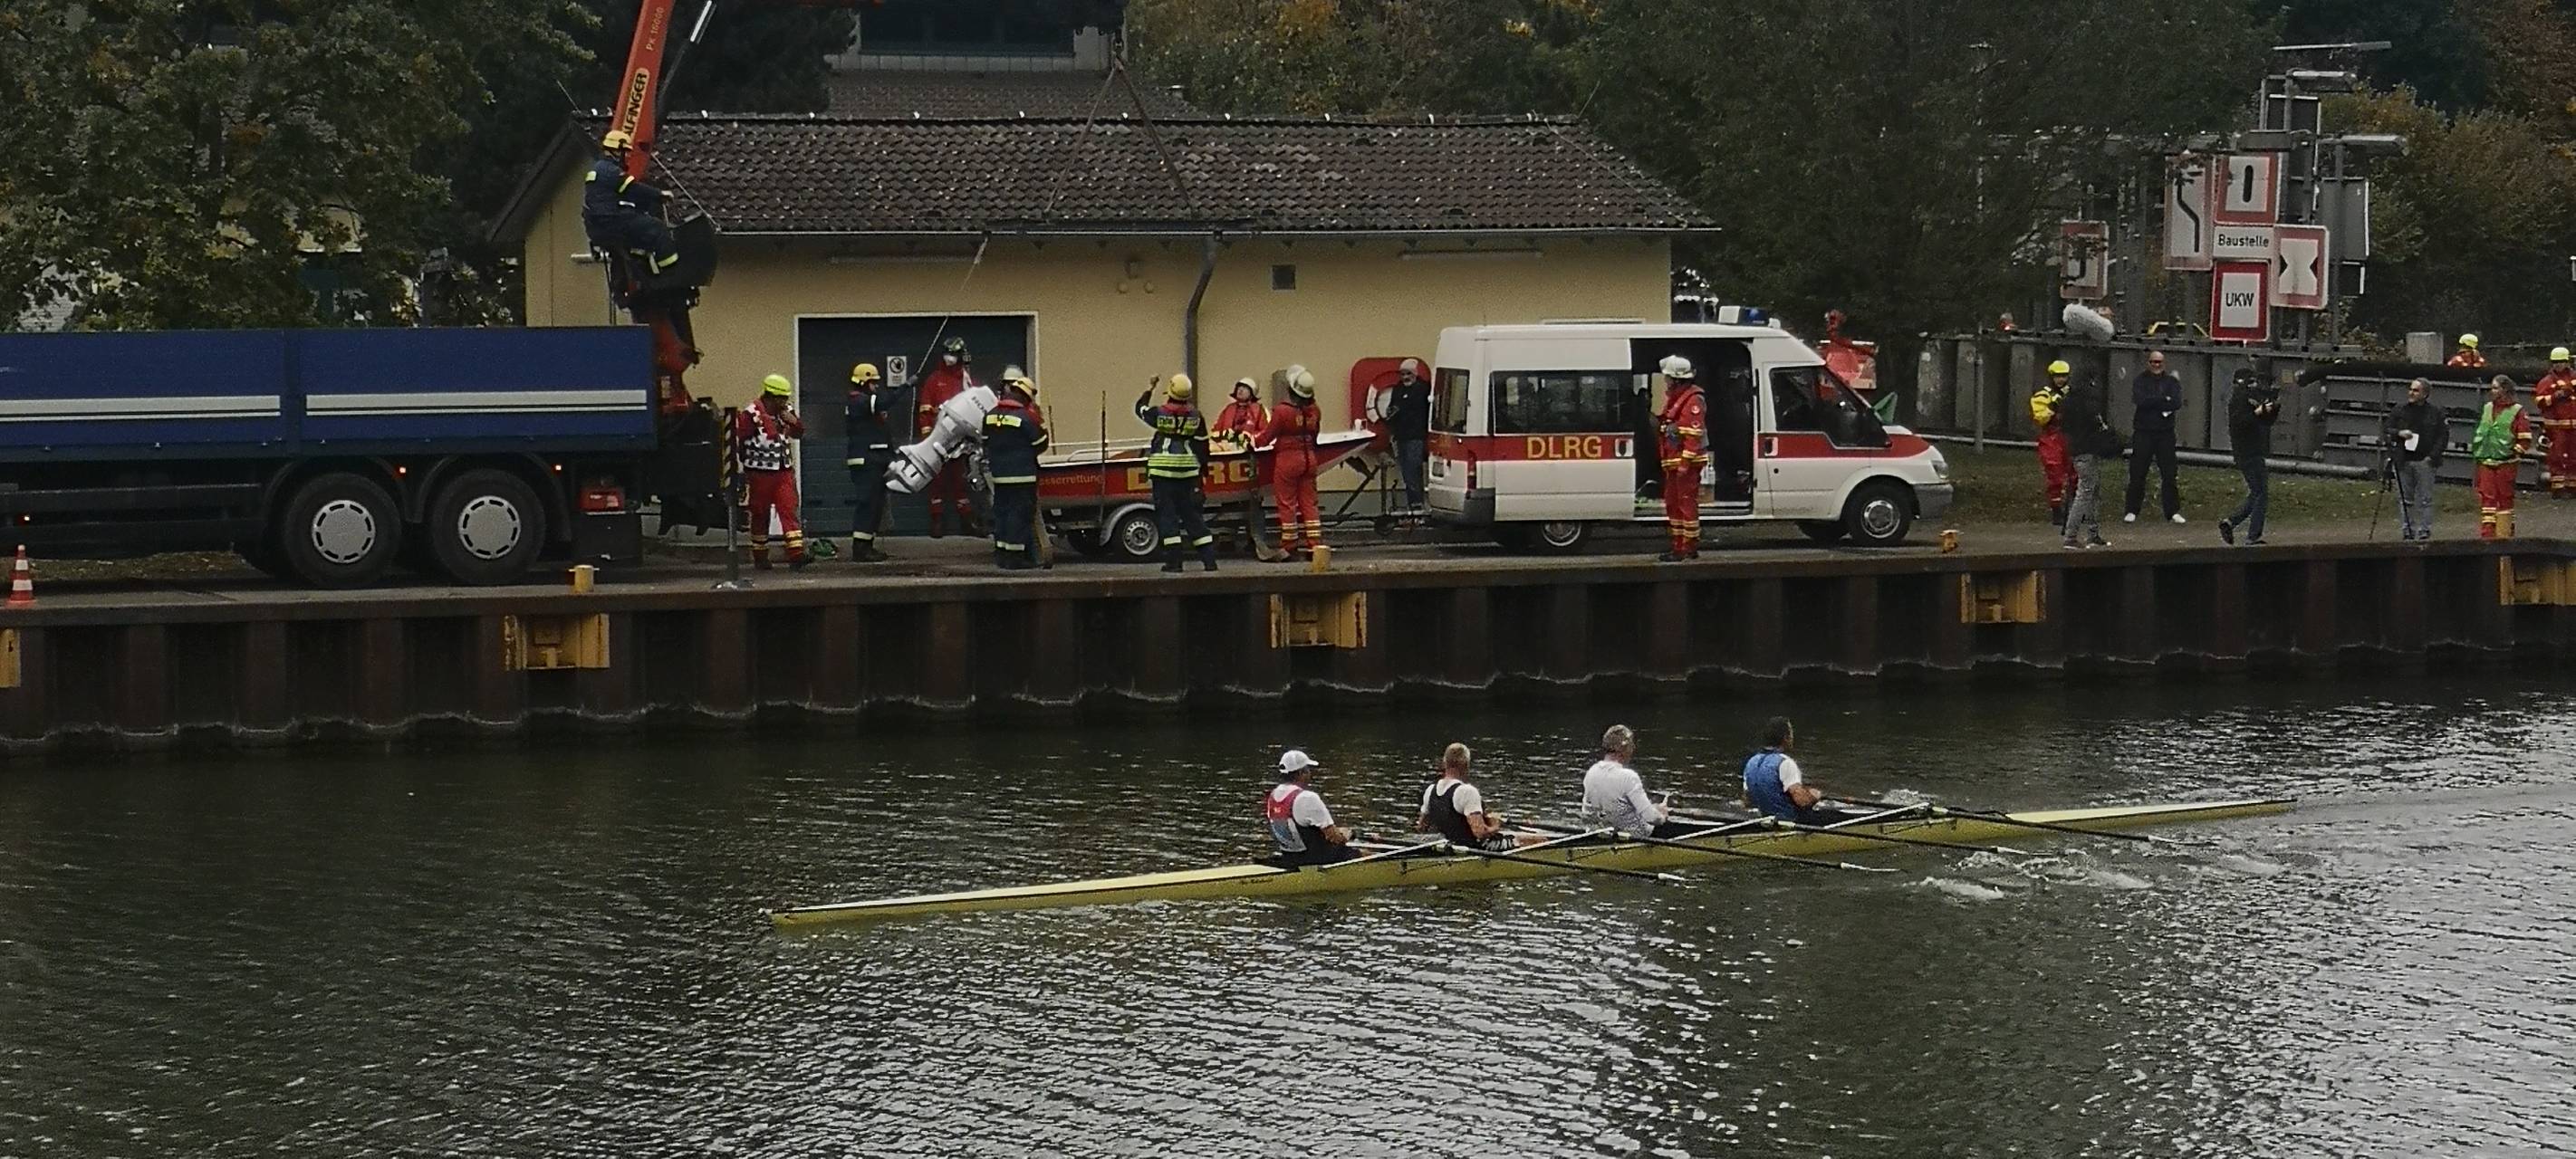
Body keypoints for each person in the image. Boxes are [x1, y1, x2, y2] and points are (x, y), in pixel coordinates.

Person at [1135, 373, 1217, 573]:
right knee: (1192, 515)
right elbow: (1202, 445)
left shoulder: (1159, 413)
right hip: (1187, 473)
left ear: (1170, 392)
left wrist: (1150, 388)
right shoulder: (1196, 416)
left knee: (1167, 516)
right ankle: (1209, 560)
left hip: (1163, 473)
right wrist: (1202, 471)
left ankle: (1174, 562)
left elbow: (1140, 409)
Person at [580, 130, 679, 280]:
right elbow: (633, 189)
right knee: (658, 229)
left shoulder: (598, 170)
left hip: (600, 226)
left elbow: (623, 195)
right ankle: (671, 274)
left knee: (640, 239)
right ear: (616, 150)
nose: (627, 156)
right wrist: (659, 194)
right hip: (614, 221)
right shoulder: (610, 170)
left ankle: (642, 273)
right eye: (625, 152)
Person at [735, 373, 810, 570]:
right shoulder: (751, 414)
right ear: (771, 397)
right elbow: (741, 441)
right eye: (782, 398)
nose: (785, 402)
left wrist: (794, 422)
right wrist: (746, 467)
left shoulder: (786, 412)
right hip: (759, 472)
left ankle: (796, 554)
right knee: (760, 513)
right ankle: (760, 556)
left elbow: (799, 433)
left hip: (783, 470)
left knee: (789, 508)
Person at [982, 368, 1049, 570]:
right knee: (1018, 517)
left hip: (999, 476)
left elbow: (985, 442)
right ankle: (1015, 558)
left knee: (1002, 514)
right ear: (1025, 397)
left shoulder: (990, 415)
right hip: (1022, 476)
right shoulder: (1026, 418)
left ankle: (1002, 554)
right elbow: (1040, 444)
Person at [913, 337, 979, 537]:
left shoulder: (966, 380)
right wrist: (928, 437)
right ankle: (937, 520)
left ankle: (967, 520)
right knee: (937, 481)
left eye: (953, 354)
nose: (949, 358)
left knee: (960, 480)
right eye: (947, 353)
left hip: (960, 439)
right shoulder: (934, 380)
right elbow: (925, 410)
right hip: (938, 438)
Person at [1418, 742, 1537, 851]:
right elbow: (1480, 833)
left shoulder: (1430, 790)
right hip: (1477, 849)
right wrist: (1496, 826)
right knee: (1534, 840)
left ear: (1445, 763)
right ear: (1466, 764)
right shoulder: (1467, 791)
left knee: (1516, 836)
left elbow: (1422, 827)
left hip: (1449, 847)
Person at [1581, 724, 1689, 839]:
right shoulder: (1628, 777)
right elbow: (1651, 818)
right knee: (1670, 828)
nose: (1634, 748)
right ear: (1624, 748)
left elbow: (1600, 810)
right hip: (1632, 837)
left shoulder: (1591, 772)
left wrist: (1653, 809)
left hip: (1598, 835)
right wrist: (1662, 816)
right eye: (1631, 744)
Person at [1268, 367, 1327, 558]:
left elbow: (1269, 435)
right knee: (1310, 504)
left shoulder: (1282, 411)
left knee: (1287, 503)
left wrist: (1252, 442)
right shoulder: (1314, 410)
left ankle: (1289, 545)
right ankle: (1314, 545)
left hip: (1288, 460)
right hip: (1309, 458)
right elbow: (1315, 434)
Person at [2218, 369, 2281, 546]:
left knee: (2257, 492)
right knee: (2260, 492)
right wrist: (2259, 411)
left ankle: (2231, 522)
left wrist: (2272, 408)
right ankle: (2252, 535)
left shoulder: (2245, 399)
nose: (2254, 386)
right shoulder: (2239, 400)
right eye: (2251, 382)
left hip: (2252, 451)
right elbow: (2242, 422)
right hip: (2247, 452)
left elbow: (2265, 422)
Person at [1655, 355, 1707, 561]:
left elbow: (1693, 436)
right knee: (1673, 503)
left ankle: (1687, 547)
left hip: (1685, 464)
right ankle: (1679, 544)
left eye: (1668, 378)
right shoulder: (1678, 398)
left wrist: (1685, 464)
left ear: (1677, 379)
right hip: (1675, 462)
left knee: (1685, 503)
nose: (1666, 381)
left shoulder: (1693, 400)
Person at [2057, 374, 2119, 550]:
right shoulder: (2088, 404)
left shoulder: (2067, 402)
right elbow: (2097, 425)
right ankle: (2071, 536)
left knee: (2091, 490)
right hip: (2088, 449)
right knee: (2085, 491)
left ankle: (2092, 533)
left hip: (2075, 449)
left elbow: (2064, 426)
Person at [843, 361, 897, 562]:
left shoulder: (866, 404)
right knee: (868, 504)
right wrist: (906, 386)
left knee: (875, 505)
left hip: (874, 459)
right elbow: (884, 402)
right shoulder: (858, 401)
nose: (876, 386)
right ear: (863, 382)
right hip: (865, 460)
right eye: (873, 383)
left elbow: (882, 433)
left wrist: (890, 457)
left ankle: (867, 545)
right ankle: (860, 548)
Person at [2123, 350, 2186, 524]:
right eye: (2153, 362)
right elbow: (2140, 401)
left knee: (2169, 474)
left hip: (2165, 433)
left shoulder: (2172, 382)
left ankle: (2172, 511)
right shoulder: (2140, 380)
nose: (2156, 365)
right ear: (2148, 363)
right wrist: (2163, 400)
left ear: (2164, 363)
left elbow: (2176, 402)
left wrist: (2155, 401)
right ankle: (2131, 510)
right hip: (2143, 432)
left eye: (2159, 362)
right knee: (2137, 473)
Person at [1264, 749, 1355, 866]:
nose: (1310, 773)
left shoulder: (1273, 796)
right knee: (1362, 854)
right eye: (1307, 769)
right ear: (1301, 773)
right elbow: (1334, 837)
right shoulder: (1308, 798)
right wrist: (1347, 834)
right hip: (1315, 860)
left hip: (1289, 857)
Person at [2385, 378, 2446, 542]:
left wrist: (2431, 457)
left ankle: (2424, 530)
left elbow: (2442, 436)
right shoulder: (2399, 410)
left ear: (2425, 394)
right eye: (2411, 389)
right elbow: (2387, 429)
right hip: (2403, 460)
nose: (2411, 393)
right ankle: (2408, 530)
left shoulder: (2435, 413)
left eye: (2416, 390)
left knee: (2425, 499)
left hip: (2425, 461)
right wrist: (2399, 433)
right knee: (2405, 499)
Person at [2472, 375, 2533, 541]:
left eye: (2495, 388)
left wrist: (2515, 453)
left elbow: (2525, 438)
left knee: (2505, 499)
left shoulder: (2517, 411)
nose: (2492, 391)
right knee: (2487, 501)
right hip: (2486, 460)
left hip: (2506, 463)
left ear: (2505, 389)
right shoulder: (2487, 408)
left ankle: (2504, 535)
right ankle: (2487, 536)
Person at [1742, 717, 1832, 824]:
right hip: (1790, 821)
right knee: (1838, 816)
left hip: (1765, 819)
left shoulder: (1752, 762)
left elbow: (1747, 801)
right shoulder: (1785, 763)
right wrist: (1814, 795)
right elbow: (1802, 801)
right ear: (1786, 738)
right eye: (1791, 733)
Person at [1387, 359, 1432, 517]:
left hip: (1416, 436)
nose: (1405, 377)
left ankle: (1418, 504)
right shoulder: (1398, 389)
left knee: (1414, 471)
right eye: (1402, 374)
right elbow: (1391, 410)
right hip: (1401, 436)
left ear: (1415, 374)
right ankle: (1413, 504)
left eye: (1408, 374)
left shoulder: (1423, 389)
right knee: (1406, 473)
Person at [2032, 361, 2073, 529]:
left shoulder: (2073, 393)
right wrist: (2052, 407)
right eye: (2057, 376)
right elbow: (2039, 417)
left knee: (2075, 473)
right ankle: (2057, 510)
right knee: (2054, 473)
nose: (2061, 379)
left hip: (2070, 436)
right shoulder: (2043, 395)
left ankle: (2074, 510)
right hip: (2051, 437)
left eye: (2064, 376)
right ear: (2051, 377)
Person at [2533, 348, 2576, 498]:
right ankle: (2558, 488)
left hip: (2573, 426)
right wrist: (2555, 396)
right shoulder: (2547, 382)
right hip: (2556, 427)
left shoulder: (2574, 378)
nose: (2558, 364)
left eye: (2561, 361)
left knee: (2574, 456)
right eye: (2555, 362)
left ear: (2567, 362)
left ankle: (2573, 486)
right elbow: (2539, 402)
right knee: (2557, 457)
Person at [1213, 378, 1269, 445]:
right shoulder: (1229, 409)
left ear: (1251, 394)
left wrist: (1250, 437)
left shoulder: (1258, 410)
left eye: (1245, 388)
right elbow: (1216, 430)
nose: (1240, 390)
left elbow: (1265, 432)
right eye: (1239, 387)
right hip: (1228, 447)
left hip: (1250, 447)